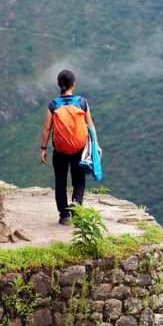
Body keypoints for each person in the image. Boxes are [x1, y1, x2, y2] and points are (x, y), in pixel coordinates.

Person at [40, 70, 99, 224]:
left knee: (60, 181)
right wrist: (96, 146)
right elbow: (90, 125)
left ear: (60, 84)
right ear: (74, 84)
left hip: (59, 151)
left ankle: (64, 215)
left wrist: (44, 148)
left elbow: (47, 128)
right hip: (79, 149)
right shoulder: (82, 103)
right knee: (79, 180)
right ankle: (77, 206)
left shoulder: (53, 105)